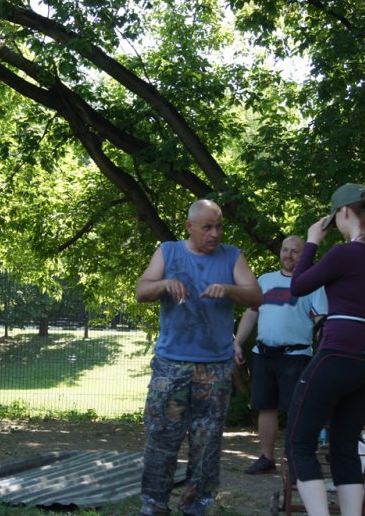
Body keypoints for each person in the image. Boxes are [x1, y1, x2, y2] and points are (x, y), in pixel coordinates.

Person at [284, 183, 365, 515]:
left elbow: (297, 286)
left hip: (335, 359)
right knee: (344, 447)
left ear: (343, 213)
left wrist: (312, 242)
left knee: (299, 443)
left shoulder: (343, 253)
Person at [135, 199, 263, 516]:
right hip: (171, 364)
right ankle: (154, 504)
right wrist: (164, 283)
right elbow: (141, 290)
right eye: (207, 227)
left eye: (219, 226)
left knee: (207, 442)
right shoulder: (168, 251)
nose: (215, 233)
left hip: (215, 367)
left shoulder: (232, 256)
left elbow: (257, 295)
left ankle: (196, 505)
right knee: (161, 438)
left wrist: (229, 290)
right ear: (190, 227)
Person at [233, 236, 327, 475]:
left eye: (295, 251)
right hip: (263, 355)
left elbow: (321, 321)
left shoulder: (312, 284)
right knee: (265, 407)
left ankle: (294, 461)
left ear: (305, 254)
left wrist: (325, 350)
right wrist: (237, 343)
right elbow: (251, 314)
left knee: (295, 410)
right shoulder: (265, 281)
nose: (288, 255)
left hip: (296, 357)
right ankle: (266, 458)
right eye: (285, 250)